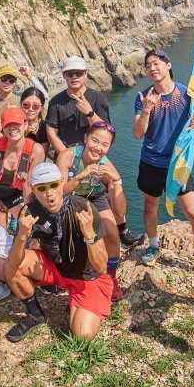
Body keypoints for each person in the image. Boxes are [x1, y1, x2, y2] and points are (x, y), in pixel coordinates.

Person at [132, 48, 194, 283]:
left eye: (156, 63)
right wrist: (148, 108)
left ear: (168, 65)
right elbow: (138, 133)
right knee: (150, 206)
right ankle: (153, 245)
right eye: (148, 65)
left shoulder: (187, 93)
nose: (152, 68)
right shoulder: (142, 97)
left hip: (178, 164)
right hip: (151, 162)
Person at [4, 163, 112, 342]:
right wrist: (22, 234)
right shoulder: (30, 212)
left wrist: (89, 235)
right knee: (10, 266)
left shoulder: (84, 208)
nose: (49, 193)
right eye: (41, 188)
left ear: (62, 183)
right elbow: (13, 263)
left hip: (86, 276)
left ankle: (79, 300)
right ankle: (35, 314)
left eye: (53, 185)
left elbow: (100, 265)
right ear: (34, 190)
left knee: (82, 335)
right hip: (56, 268)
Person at [45, 56, 144, 249]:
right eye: (70, 73)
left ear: (85, 74)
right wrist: (68, 154)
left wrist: (89, 112)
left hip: (94, 150)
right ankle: (56, 235)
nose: (74, 77)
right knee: (64, 191)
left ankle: (122, 229)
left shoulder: (97, 98)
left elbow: (105, 130)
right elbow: (51, 131)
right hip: (68, 153)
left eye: (79, 73)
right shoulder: (57, 101)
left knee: (113, 182)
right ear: (65, 76)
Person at [58, 122, 126, 302]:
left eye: (105, 145)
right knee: (70, 235)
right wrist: (81, 176)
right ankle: (64, 273)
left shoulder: (107, 165)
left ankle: (110, 277)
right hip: (70, 197)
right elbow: (60, 192)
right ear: (85, 138)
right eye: (94, 141)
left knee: (112, 233)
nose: (98, 148)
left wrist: (115, 181)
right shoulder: (67, 157)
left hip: (96, 197)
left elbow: (120, 210)